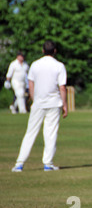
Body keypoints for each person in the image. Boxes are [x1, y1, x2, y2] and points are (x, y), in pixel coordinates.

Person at [11, 41, 68, 172]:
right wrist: (65, 104)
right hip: (54, 103)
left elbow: (31, 84)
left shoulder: (35, 64)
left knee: (30, 132)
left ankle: (19, 163)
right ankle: (48, 163)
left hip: (39, 103)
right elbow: (62, 87)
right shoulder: (59, 66)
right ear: (55, 51)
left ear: (43, 51)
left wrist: (34, 99)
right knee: (50, 133)